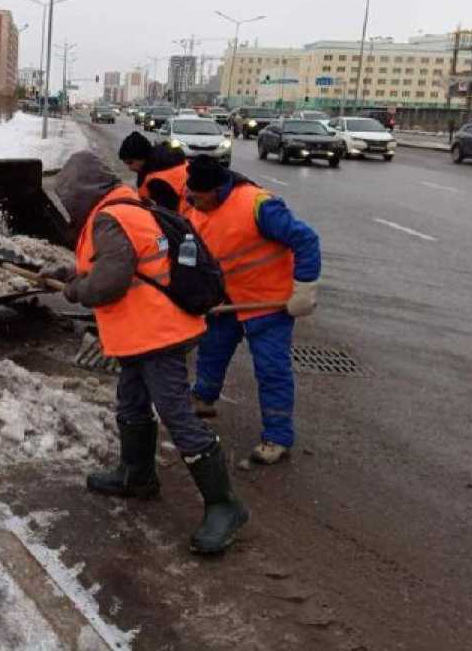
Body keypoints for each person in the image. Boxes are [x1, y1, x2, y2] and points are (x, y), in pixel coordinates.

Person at [46, 150, 249, 554]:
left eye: (68, 198)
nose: (67, 208)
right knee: (132, 401)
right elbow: (125, 265)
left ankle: (224, 505)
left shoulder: (109, 218)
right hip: (141, 333)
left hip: (157, 333)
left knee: (177, 414)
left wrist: (75, 289)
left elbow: (110, 283)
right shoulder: (123, 209)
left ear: (82, 192)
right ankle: (136, 474)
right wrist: (71, 273)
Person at [182, 155, 320, 465]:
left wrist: (305, 287)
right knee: (212, 350)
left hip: (267, 303)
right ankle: (203, 397)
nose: (196, 203)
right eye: (193, 197)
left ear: (217, 190)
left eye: (201, 197)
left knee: (272, 370)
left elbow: (306, 240)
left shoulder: (259, 206)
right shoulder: (196, 209)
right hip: (227, 300)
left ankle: (277, 437)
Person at [118, 131, 189, 212]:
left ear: (141, 157)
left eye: (130, 162)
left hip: (188, 219)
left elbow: (167, 216)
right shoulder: (166, 162)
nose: (130, 168)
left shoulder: (157, 181)